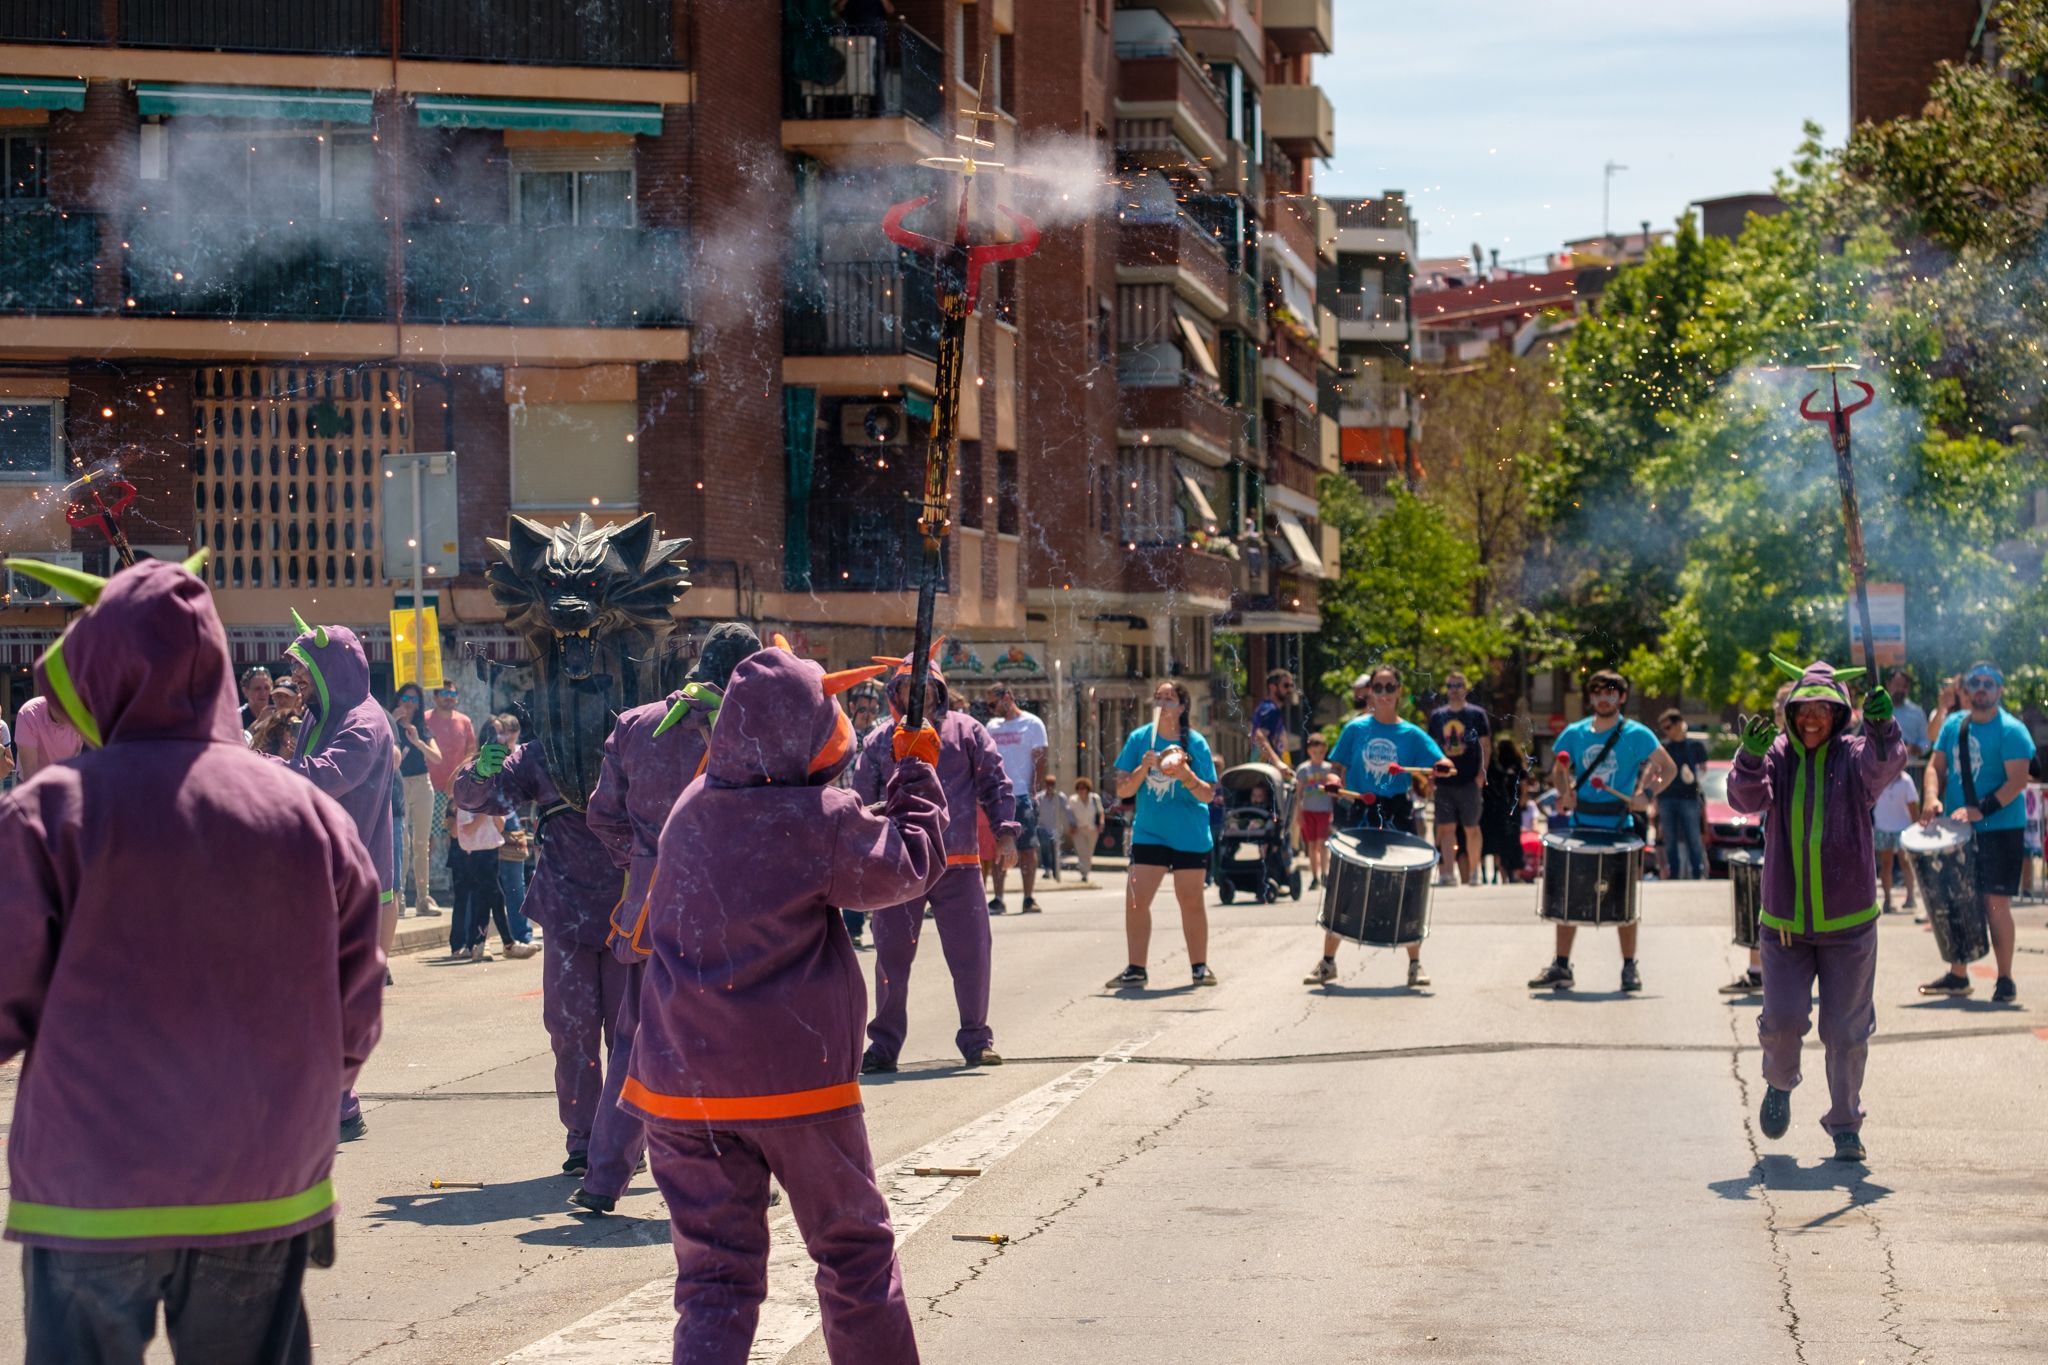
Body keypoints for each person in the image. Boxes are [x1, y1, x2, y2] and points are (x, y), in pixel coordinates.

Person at [0, 554, 383, 1365]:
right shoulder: (308, 816)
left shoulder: (50, 811)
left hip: (90, 1189)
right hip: (260, 1179)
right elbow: (355, 1004)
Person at [621, 643, 942, 1365]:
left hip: (679, 1088)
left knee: (713, 1278)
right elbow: (912, 862)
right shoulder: (820, 816)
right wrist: (916, 769)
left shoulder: (690, 808)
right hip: (795, 1086)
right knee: (853, 1255)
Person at [578, 622, 762, 1216]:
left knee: (635, 1043)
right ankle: (744, 1175)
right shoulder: (748, 725)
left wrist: (642, 864)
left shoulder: (633, 724)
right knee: (734, 1041)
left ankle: (602, 1180)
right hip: (725, 906)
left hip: (651, 906)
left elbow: (602, 816)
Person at [1730, 657, 1904, 1164]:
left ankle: (1845, 1123)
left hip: (1849, 926)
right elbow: (1745, 800)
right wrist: (1747, 758)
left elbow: (1887, 763)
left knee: (1846, 1033)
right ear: (1791, 712)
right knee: (1783, 1022)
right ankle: (1779, 1083)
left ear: (1839, 714)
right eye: (1802, 709)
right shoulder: (1777, 756)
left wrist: (1882, 725)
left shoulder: (1855, 757)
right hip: (1784, 925)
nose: (1811, 719)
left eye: (1822, 711)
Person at [456, 711, 628, 1177]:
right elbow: (475, 797)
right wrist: (479, 769)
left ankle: (625, 1138)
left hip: (633, 910)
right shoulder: (540, 755)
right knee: (571, 1031)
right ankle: (584, 1139)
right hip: (565, 907)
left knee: (630, 1034)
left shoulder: (639, 739)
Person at [855, 647, 1016, 1070]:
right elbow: (859, 802)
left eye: (924, 686)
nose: (916, 693)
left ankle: (977, 1038)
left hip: (958, 862)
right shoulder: (877, 740)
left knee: (972, 954)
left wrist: (1005, 833)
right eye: (908, 685)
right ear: (897, 690)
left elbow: (996, 783)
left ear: (938, 690)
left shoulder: (968, 731)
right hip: (899, 864)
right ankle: (884, 1046)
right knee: (890, 959)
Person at [282, 612, 396, 1139]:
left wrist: (263, 769)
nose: (297, 682)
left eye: (305, 671)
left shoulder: (364, 721)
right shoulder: (319, 714)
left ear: (332, 668)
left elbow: (327, 776)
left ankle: (339, 1102)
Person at [1306, 665, 1453, 988]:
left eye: (1390, 687)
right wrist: (1332, 781)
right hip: (1361, 807)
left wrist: (1441, 767)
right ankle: (1328, 962)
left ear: (1400, 691)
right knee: (1347, 883)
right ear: (1370, 692)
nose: (1384, 693)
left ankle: (1415, 964)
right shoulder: (1355, 729)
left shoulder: (1412, 734)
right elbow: (1336, 768)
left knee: (1407, 885)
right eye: (1379, 687)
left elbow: (1442, 763)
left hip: (1397, 810)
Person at [1529, 670, 1676, 993]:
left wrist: (1647, 795)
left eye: (1611, 692)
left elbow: (1668, 768)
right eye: (1597, 692)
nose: (1603, 698)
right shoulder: (1575, 732)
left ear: (1622, 697)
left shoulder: (1636, 733)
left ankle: (1628, 967)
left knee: (1623, 901)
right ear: (1591, 697)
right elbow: (1559, 768)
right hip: (1581, 825)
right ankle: (1562, 966)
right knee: (1568, 897)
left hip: (1619, 827)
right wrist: (1564, 791)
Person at [1918, 661, 2035, 1003]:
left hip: (1999, 828)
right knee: (1957, 900)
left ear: (1999, 690)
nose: (1982, 687)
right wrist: (1930, 798)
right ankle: (1958, 975)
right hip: (1957, 828)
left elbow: (2017, 781)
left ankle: (2005, 978)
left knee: (1995, 904)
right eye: (1975, 682)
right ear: (1965, 690)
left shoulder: (2012, 730)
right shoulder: (1954, 724)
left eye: (1989, 682)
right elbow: (1934, 767)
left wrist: (1979, 810)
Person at [1106, 679, 1220, 990]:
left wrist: (1185, 774)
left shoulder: (1195, 743)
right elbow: (1122, 789)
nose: (1162, 704)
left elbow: (1209, 794)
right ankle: (1136, 968)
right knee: (1135, 899)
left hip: (1189, 833)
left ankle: (1199, 967)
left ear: (1182, 707)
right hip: (1150, 832)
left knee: (1190, 900)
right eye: (1158, 698)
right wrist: (1143, 769)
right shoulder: (1140, 738)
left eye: (1169, 699)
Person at [985, 683, 1047, 913]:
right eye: (988, 705)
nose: (991, 710)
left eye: (993, 704)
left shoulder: (1032, 724)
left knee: (1027, 849)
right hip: (998, 797)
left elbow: (1040, 760)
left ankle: (1029, 898)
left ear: (1008, 697)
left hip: (1022, 795)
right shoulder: (992, 726)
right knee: (998, 847)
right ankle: (998, 898)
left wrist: (1034, 792)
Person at [1426, 670, 1491, 887]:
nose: (1454, 690)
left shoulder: (1476, 714)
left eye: (1458, 685)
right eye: (1451, 686)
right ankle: (1448, 874)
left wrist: (1482, 774)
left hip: (1469, 780)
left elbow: (1485, 746)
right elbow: (1431, 748)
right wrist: (1431, 777)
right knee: (1445, 827)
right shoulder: (1437, 716)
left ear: (1465, 688)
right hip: (1444, 782)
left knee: (1472, 827)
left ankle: (1474, 872)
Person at [484, 714, 538, 957]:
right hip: (490, 822)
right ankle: (476, 939)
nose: (505, 737)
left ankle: (521, 934)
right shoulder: (485, 757)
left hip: (512, 820)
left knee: (516, 883)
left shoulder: (520, 754)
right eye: (501, 732)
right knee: (487, 886)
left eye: (509, 732)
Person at [391, 682, 444, 917]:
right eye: (406, 698)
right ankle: (399, 898)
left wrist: (417, 742)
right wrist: (393, 720)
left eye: (414, 700)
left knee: (421, 844)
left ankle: (423, 898)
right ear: (398, 699)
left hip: (423, 784)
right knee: (402, 843)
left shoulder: (422, 727)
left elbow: (438, 758)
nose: (409, 704)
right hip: (400, 784)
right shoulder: (388, 722)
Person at [840, 683, 887, 947]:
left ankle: (879, 925)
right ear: (851, 707)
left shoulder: (879, 736)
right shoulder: (843, 736)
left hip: (878, 815)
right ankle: (853, 927)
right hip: (849, 814)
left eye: (872, 709)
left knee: (879, 874)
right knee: (853, 875)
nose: (867, 714)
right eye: (862, 709)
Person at [424, 681, 476, 903]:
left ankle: (458, 887)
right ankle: (423, 890)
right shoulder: (426, 719)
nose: (449, 697)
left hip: (457, 791)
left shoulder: (464, 721)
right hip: (430, 789)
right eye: (444, 693)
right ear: (435, 697)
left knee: (456, 837)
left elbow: (472, 751)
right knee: (427, 840)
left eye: (452, 693)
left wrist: (457, 775)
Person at [446, 803, 505, 962]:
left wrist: (488, 811)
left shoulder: (491, 800)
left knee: (481, 902)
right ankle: (458, 945)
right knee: (462, 903)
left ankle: (477, 943)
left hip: (484, 855)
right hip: (462, 859)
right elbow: (455, 833)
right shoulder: (459, 803)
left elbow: (500, 827)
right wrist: (482, 814)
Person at [1657, 709, 1710, 880]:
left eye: (1669, 726)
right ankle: (1674, 876)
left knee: (1693, 838)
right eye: (1663, 728)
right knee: (1670, 840)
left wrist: (1695, 776)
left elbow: (1703, 770)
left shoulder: (1695, 746)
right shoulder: (1663, 748)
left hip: (1689, 798)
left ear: (1679, 724)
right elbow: (1656, 772)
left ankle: (1697, 874)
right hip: (1666, 798)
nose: (1666, 731)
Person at [1293, 732, 1337, 890]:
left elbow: (1335, 792)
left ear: (1325, 751)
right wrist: (1299, 813)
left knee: (1323, 844)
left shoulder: (1329, 769)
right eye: (1314, 752)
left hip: (1324, 810)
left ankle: (1325, 874)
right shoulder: (1303, 769)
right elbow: (1299, 793)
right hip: (1308, 810)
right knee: (1311, 845)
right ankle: (1314, 876)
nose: (1317, 755)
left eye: (1321, 752)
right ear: (1309, 751)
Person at [1480, 736, 1527, 884]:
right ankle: (1513, 875)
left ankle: (1502, 876)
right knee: (1513, 841)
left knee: (1498, 843)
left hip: (1496, 809)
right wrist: (1521, 804)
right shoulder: (1518, 766)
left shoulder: (1496, 766)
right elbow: (1524, 790)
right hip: (1514, 808)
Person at [1873, 767, 1920, 913]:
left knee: (1905, 863)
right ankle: (1887, 900)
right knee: (1886, 864)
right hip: (1883, 826)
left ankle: (1910, 897)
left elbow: (1913, 807)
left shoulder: (1906, 781)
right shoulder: (1878, 778)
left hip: (1903, 828)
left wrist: (1915, 831)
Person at [13, 692, 83, 779]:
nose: (66, 713)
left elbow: (81, 760)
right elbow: (30, 770)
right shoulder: (28, 714)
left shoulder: (82, 716)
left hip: (66, 778)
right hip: (33, 780)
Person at [1251, 667, 1296, 770]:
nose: (1289, 690)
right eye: (1285, 685)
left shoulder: (1269, 708)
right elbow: (1260, 736)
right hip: (1266, 770)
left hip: (1268, 769)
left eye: (1291, 685)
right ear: (1272, 687)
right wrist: (1278, 763)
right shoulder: (1270, 709)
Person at [248, 678, 303, 760]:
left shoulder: (304, 720)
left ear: (297, 699)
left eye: (287, 696)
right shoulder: (264, 718)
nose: (282, 700)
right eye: (278, 696)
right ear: (273, 697)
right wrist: (259, 722)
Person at [1067, 776, 1105, 883]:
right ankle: (1084, 873)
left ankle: (1086, 871)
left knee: (1089, 852)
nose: (1081, 790)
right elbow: (1069, 815)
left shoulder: (1095, 798)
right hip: (1078, 829)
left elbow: (1100, 812)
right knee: (1081, 851)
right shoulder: (1073, 800)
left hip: (1092, 828)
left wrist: (1101, 823)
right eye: (1079, 788)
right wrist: (1071, 826)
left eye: (1083, 788)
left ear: (1087, 789)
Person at [1036, 772, 1067, 880]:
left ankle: (1055, 871)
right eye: (1048, 784)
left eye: (1052, 784)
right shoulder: (1039, 797)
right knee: (1045, 849)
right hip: (1043, 827)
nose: (1050, 786)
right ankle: (1047, 870)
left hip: (1056, 828)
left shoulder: (1060, 797)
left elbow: (1067, 811)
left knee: (1055, 850)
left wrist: (1072, 823)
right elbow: (1035, 811)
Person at [238, 664, 274, 730]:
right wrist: (259, 722)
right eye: (257, 689)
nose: (263, 693)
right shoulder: (236, 717)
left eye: (266, 688)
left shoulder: (276, 716)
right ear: (245, 691)